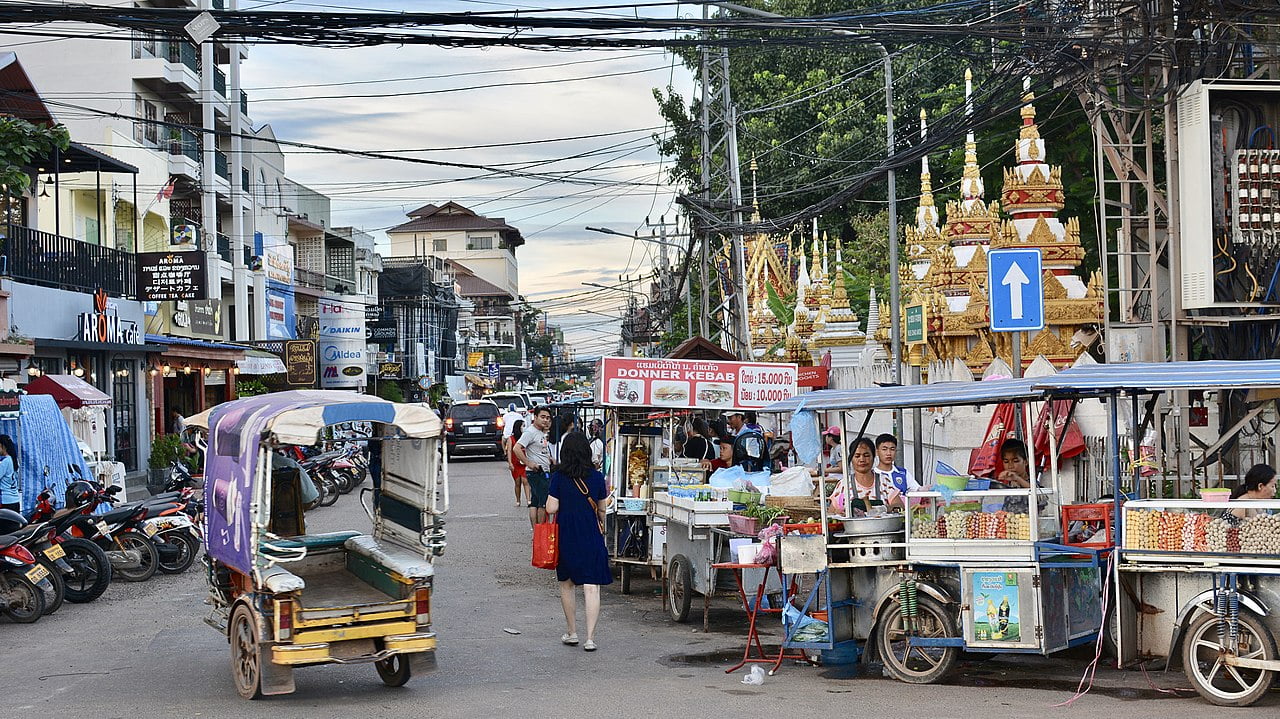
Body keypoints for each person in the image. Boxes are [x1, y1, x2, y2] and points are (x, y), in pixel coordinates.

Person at [546, 431, 611, 652]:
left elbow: (550, 508)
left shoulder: (558, 477)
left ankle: (572, 632)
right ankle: (590, 638)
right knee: (592, 587)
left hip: (567, 536)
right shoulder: (596, 477)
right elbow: (602, 509)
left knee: (567, 584)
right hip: (591, 534)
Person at [828, 437, 903, 514]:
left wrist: (885, 508)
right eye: (857, 456)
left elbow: (899, 505)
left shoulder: (884, 481)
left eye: (866, 455)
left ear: (873, 457)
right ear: (851, 459)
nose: (862, 460)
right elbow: (831, 513)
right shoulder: (844, 484)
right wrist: (840, 511)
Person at [514, 405, 554, 528]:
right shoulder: (530, 432)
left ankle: (536, 530)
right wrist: (529, 463)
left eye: (547, 418)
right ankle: (541, 530)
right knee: (542, 503)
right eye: (542, 417)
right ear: (535, 417)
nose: (545, 420)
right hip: (537, 471)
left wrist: (550, 459)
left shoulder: (540, 432)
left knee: (535, 502)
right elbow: (517, 448)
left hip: (541, 470)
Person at [507, 418, 528, 507]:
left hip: (524, 462)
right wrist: (510, 463)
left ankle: (528, 500)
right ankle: (518, 500)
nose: (524, 428)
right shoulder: (510, 439)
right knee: (517, 482)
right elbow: (509, 451)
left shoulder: (525, 436)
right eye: (522, 426)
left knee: (525, 481)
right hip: (515, 463)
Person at [0, 435, 19, 512]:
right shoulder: (14, 460)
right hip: (15, 500)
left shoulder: (5, 462)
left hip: (6, 501)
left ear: (3, 446)